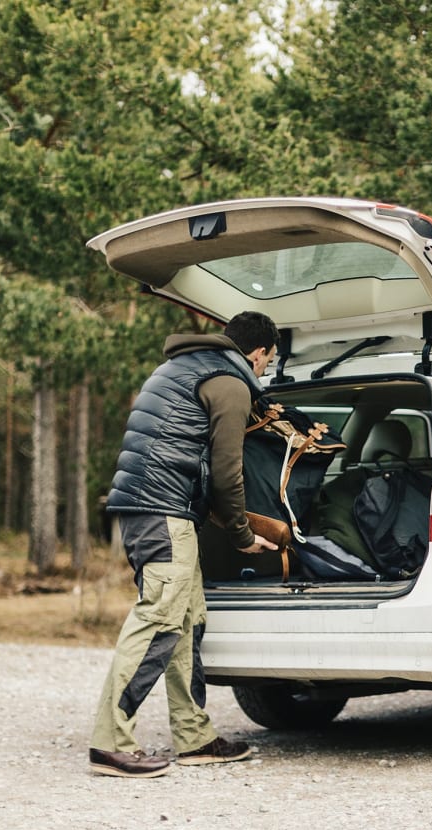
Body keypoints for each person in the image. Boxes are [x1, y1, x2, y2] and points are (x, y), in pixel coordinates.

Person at [89, 311, 282, 777]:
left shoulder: (180, 366)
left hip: (151, 508)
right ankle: (110, 742)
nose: (264, 371)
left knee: (186, 618)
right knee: (159, 619)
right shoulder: (230, 383)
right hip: (163, 511)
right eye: (268, 362)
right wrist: (241, 535)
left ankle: (194, 736)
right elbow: (227, 472)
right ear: (257, 353)